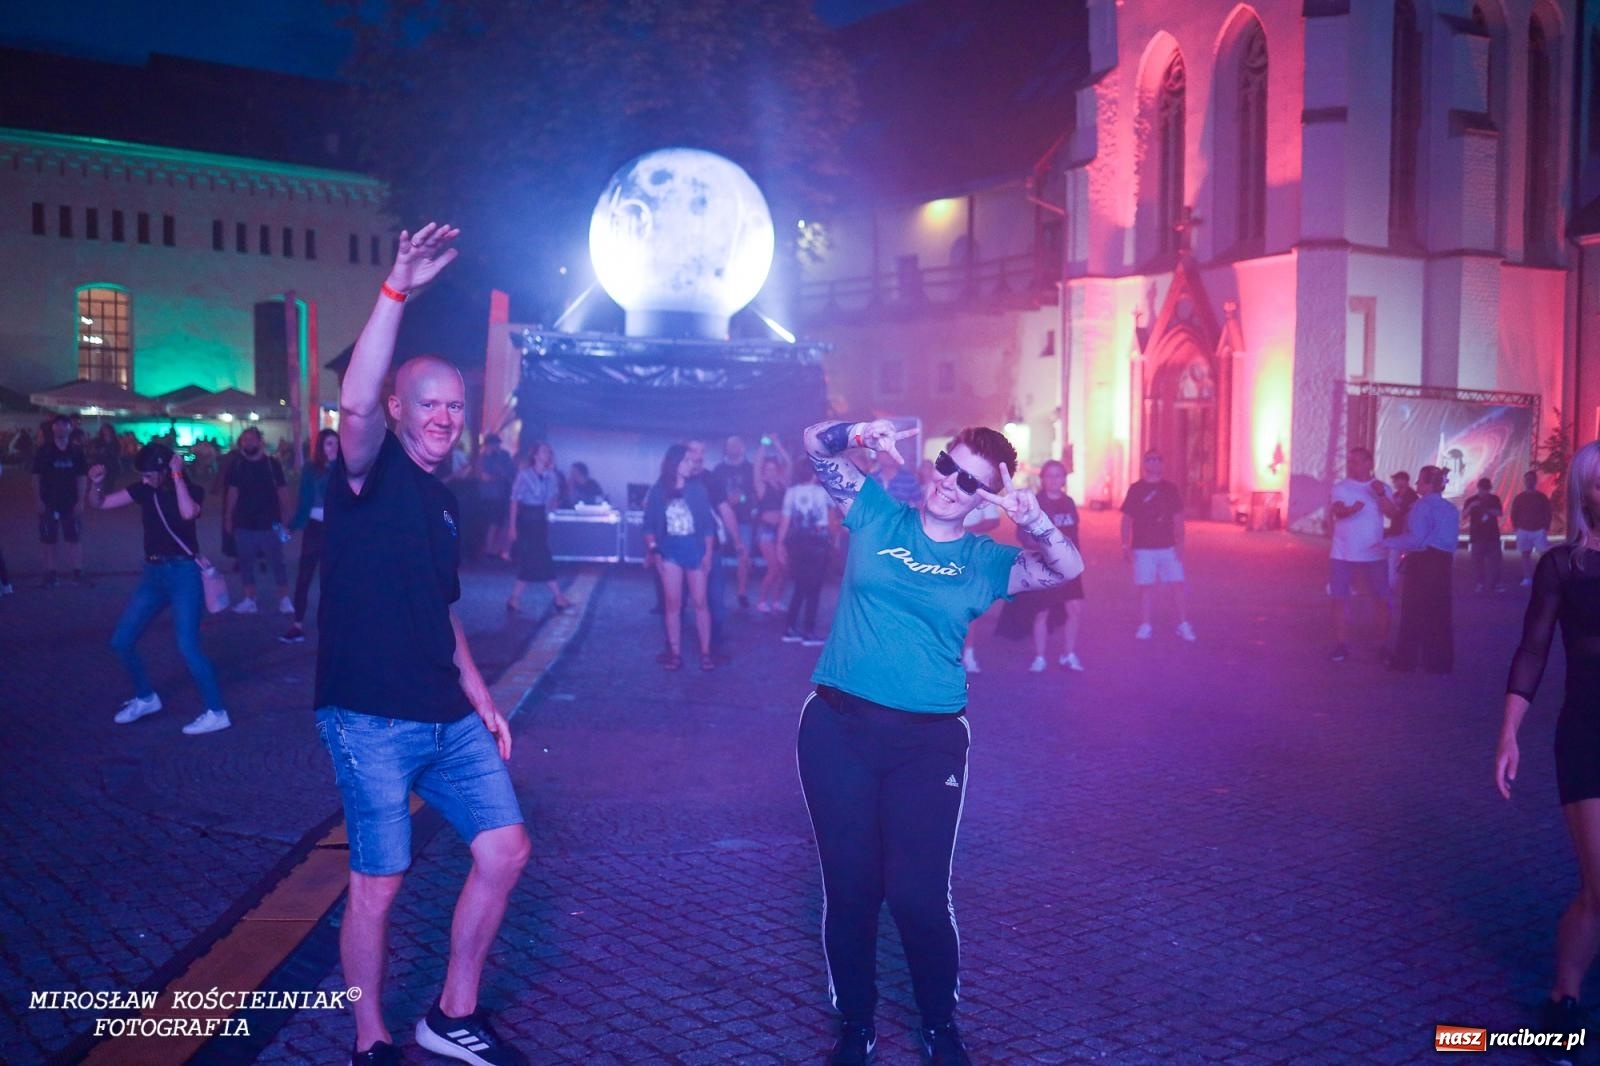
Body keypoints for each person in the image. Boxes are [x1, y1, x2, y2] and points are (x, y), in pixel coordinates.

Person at [797, 418, 1083, 1066]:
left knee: (917, 895)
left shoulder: (984, 561)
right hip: (837, 727)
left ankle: (938, 1024)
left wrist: (1031, 515)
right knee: (850, 890)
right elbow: (814, 443)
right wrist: (858, 434)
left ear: (987, 495)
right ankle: (856, 1025)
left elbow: (1068, 567)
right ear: (935, 465)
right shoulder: (878, 514)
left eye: (971, 482)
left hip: (927, 742)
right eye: (947, 468)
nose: (952, 485)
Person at [314, 223, 530, 1066]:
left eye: (452, 405)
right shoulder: (366, 472)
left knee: (505, 849)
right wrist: (396, 289)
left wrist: (481, 698)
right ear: (400, 411)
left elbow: (442, 613)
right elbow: (356, 404)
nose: (441, 416)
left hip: (446, 715)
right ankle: (371, 1039)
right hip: (368, 715)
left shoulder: (445, 502)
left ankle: (450, 1013)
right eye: (426, 403)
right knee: (380, 881)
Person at [1495, 441, 1600, 1059]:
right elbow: (1532, 651)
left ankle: (1567, 989)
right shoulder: (1564, 566)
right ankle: (1563, 1002)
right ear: (1583, 493)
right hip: (1588, 733)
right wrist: (1509, 732)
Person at [87, 442, 231, 735]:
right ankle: (146, 697)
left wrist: (177, 476)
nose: (145, 479)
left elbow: (188, 513)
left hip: (183, 574)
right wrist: (96, 485)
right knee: (121, 640)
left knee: (188, 645)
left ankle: (217, 712)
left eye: (150, 474)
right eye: (142, 475)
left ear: (166, 470)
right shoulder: (144, 490)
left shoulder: (192, 490)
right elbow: (100, 504)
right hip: (153, 574)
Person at [996, 459, 1086, 671]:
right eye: (1050, 475)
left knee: (1074, 609)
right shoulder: (1035, 502)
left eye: (1058, 475)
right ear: (1043, 479)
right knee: (1041, 612)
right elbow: (1022, 534)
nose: (1054, 480)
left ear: (1064, 479)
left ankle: (1069, 653)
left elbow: (1074, 535)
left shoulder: (1069, 502)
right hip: (1043, 565)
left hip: (1068, 564)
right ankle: (1040, 657)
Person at [642, 443, 717, 670]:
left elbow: (707, 526)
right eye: (685, 460)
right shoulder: (658, 490)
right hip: (670, 550)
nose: (690, 464)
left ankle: (705, 653)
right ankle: (675, 654)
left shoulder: (698, 488)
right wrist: (654, 550)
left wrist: (708, 554)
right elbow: (648, 526)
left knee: (700, 602)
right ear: (674, 462)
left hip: (694, 549)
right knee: (672, 604)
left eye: (691, 461)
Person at [1381, 464, 1459, 673]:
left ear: (1427, 485)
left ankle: (1405, 661)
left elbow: (1416, 540)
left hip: (1423, 562)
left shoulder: (1422, 506)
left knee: (1413, 612)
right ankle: (1440, 662)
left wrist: (1388, 542)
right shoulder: (1450, 508)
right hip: (1443, 563)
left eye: (1420, 481)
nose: (1416, 484)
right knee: (1439, 613)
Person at [1327, 447, 1395, 662]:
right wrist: (1351, 510)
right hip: (1342, 553)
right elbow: (1337, 510)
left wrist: (1381, 494)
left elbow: (1393, 513)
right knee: (1339, 599)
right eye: (1350, 461)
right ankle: (1341, 644)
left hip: (1374, 552)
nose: (1352, 465)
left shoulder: (1382, 487)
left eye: (1356, 461)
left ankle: (1383, 646)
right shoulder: (1341, 487)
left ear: (1369, 463)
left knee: (1382, 600)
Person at [1120, 451, 1194, 641]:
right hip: (1142, 547)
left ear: (1162, 464)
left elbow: (1178, 518)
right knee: (1145, 586)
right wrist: (1125, 545)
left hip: (1167, 545)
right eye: (1149, 460)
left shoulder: (1170, 489)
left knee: (1177, 584)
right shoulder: (1136, 489)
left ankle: (1183, 624)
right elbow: (1127, 518)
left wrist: (1180, 543)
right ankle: (1145, 624)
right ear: (1144, 464)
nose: (1153, 463)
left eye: (1157, 460)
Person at [280, 429, 339, 645]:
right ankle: (297, 624)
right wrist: (292, 526)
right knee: (304, 576)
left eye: (336, 443)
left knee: (331, 580)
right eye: (328, 444)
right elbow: (304, 503)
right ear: (321, 447)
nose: (333, 448)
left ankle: (331, 626)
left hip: (336, 531)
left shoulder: (344, 470)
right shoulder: (310, 470)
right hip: (314, 528)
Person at [224, 426, 292, 614]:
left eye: (251, 439)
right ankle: (249, 599)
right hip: (244, 523)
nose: (248, 443)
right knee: (245, 563)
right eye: (244, 440)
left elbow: (282, 491)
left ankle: (284, 598)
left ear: (260, 442)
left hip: (272, 523)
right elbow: (232, 492)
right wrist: (228, 517)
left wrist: (286, 517)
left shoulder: (272, 464)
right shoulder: (236, 465)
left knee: (278, 562)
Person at [506, 441, 573, 613]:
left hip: (540, 521)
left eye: (548, 453)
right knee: (542, 557)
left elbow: (550, 504)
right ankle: (559, 597)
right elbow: (514, 500)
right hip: (527, 520)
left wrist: (560, 494)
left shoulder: (551, 476)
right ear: (535, 455)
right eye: (543, 452)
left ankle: (514, 598)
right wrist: (512, 526)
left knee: (532, 560)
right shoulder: (524, 475)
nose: (547, 455)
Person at [776, 461, 832, 645]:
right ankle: (809, 632)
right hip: (818, 544)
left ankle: (789, 628)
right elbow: (832, 516)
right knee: (814, 590)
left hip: (797, 544)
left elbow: (785, 521)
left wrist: (780, 545)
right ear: (814, 475)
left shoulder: (791, 493)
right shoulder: (823, 493)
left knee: (799, 587)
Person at [32, 414, 89, 588]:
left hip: (70, 501)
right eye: (57, 425)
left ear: (69, 428)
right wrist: (38, 500)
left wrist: (81, 500)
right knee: (49, 539)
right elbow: (36, 477)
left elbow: (82, 477)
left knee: (74, 538)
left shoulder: (76, 451)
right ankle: (51, 573)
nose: (61, 428)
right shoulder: (44, 451)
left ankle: (78, 572)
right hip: (49, 501)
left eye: (64, 425)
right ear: (53, 428)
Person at [714, 435, 757, 608]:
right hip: (722, 519)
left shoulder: (750, 468)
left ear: (742, 447)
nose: (733, 448)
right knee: (715, 555)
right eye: (730, 445)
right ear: (726, 448)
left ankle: (742, 592)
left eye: (736, 445)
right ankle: (713, 591)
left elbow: (756, 492)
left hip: (744, 518)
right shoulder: (718, 469)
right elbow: (713, 492)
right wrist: (726, 500)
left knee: (744, 556)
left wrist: (742, 497)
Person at [754, 454, 789, 612]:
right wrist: (763, 445)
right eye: (767, 469)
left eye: (773, 469)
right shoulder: (761, 486)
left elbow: (788, 463)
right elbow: (756, 468)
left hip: (780, 531)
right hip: (766, 531)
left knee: (784, 567)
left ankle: (775, 600)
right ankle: (761, 601)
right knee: (774, 566)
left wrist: (777, 444)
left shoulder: (782, 486)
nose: (771, 472)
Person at [477, 434, 516, 560]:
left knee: (502, 522)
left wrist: (501, 475)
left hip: (504, 494)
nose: (497, 447)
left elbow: (511, 473)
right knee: (492, 522)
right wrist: (499, 476)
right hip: (489, 496)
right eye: (494, 444)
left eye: (498, 444)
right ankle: (488, 549)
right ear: (488, 445)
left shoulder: (504, 457)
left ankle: (498, 549)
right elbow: (484, 478)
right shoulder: (482, 459)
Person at [1463, 477, 1506, 593]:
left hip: (1492, 535)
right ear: (1478, 488)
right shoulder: (1472, 500)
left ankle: (1496, 583)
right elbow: (1464, 515)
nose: (1484, 492)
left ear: (1490, 489)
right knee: (1478, 562)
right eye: (1482, 489)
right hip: (1477, 535)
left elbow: (1500, 512)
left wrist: (1486, 509)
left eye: (1486, 490)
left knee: (1495, 561)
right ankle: (1480, 583)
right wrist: (1472, 506)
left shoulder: (1494, 499)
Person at [1513, 470, 1554, 588]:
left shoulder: (1542, 497)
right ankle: (1528, 578)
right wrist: (1516, 527)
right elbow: (1514, 513)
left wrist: (1545, 527)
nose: (1529, 481)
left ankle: (1545, 577)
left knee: (1543, 555)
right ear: (1524, 481)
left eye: (1531, 479)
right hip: (1523, 530)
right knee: (1525, 554)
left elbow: (1548, 512)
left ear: (1535, 481)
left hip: (1538, 530)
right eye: (1527, 479)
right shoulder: (1519, 497)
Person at [1387, 471, 1419, 590]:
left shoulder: (1412, 497)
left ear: (1404, 481)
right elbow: (1392, 513)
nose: (1394, 483)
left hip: (1407, 532)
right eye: (1394, 480)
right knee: (1393, 561)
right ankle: (1391, 586)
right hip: (1395, 531)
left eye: (1396, 480)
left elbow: (1403, 513)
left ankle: (1409, 586)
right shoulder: (1395, 495)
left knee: (1408, 561)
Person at [90, 423, 123, 488]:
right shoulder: (98, 441)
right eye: (104, 429)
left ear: (111, 430)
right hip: (101, 464)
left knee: (110, 483)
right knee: (101, 482)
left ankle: (108, 495)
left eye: (107, 429)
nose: (106, 431)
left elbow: (118, 450)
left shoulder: (115, 440)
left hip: (112, 465)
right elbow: (94, 451)